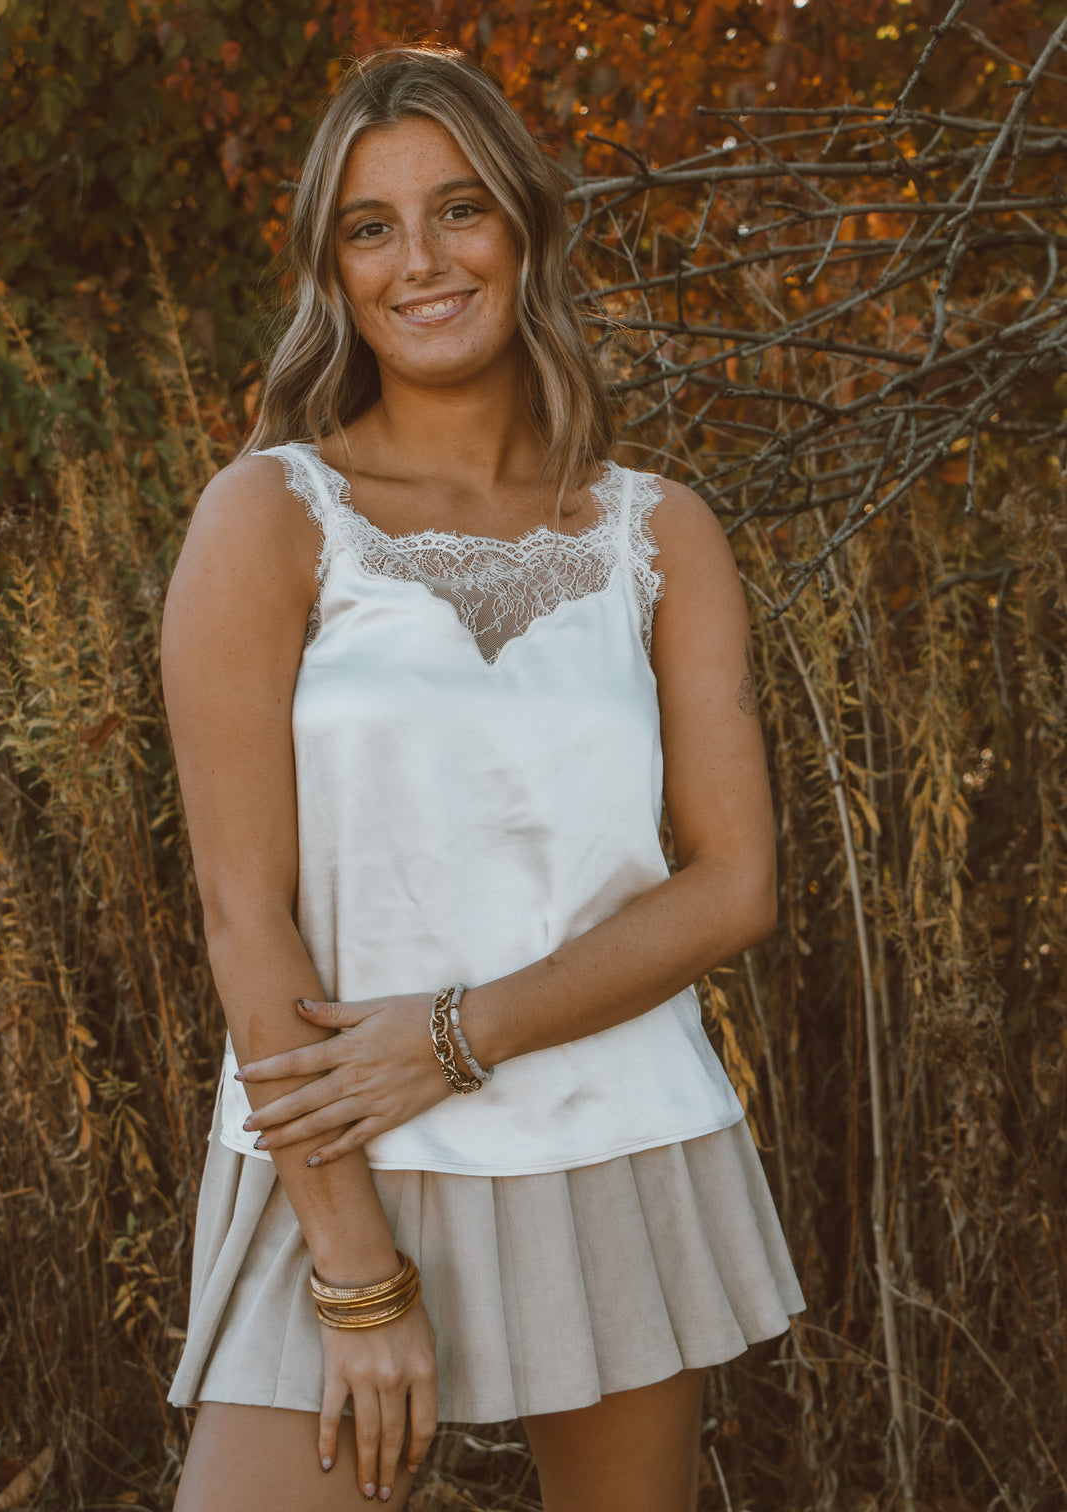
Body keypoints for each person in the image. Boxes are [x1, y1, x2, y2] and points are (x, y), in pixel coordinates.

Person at [161, 44, 803, 1512]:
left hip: (617, 1131)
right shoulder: (270, 515)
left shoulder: (661, 533)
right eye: (369, 227)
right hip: (337, 1150)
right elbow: (240, 912)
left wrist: (453, 1037)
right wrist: (356, 1273)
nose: (422, 261)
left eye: (459, 210)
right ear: (334, 268)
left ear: (523, 228)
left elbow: (734, 885)